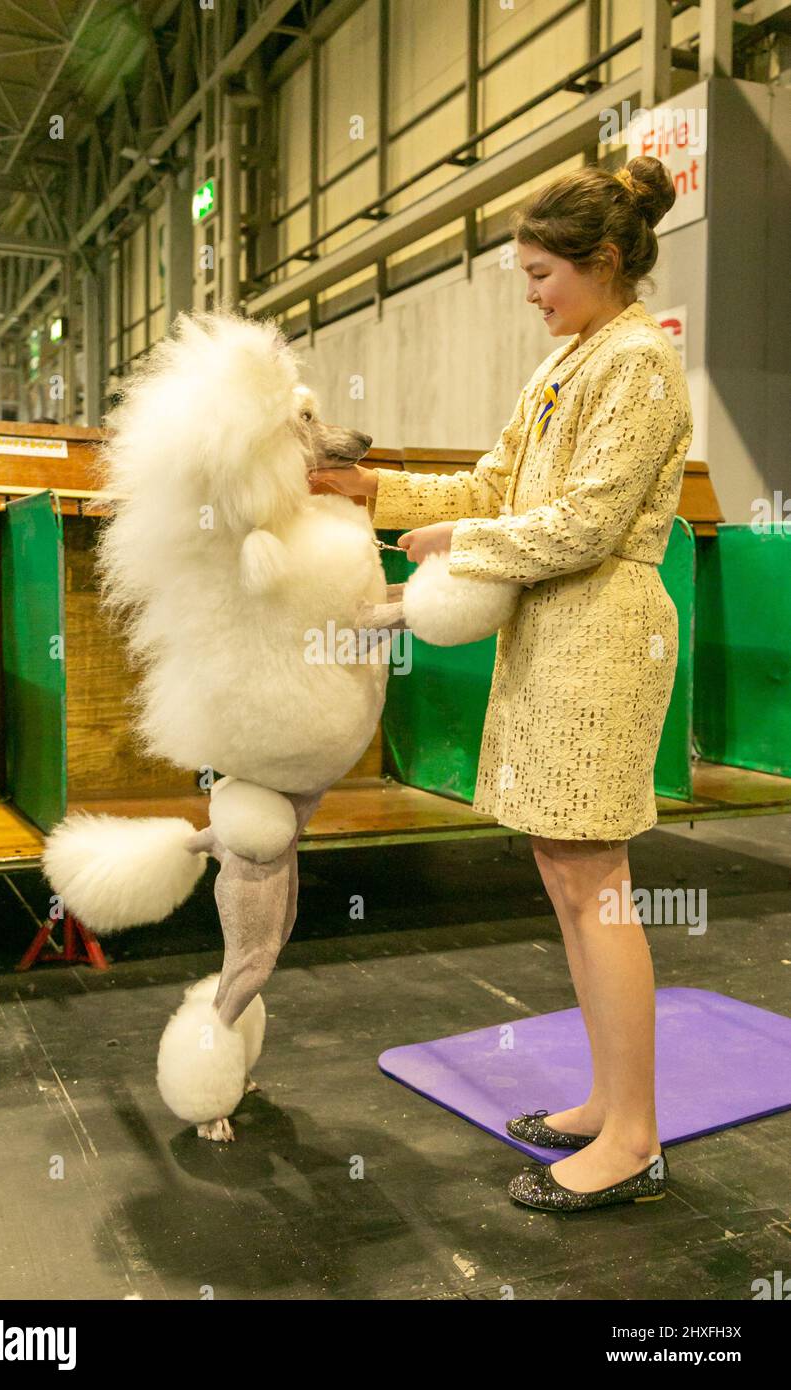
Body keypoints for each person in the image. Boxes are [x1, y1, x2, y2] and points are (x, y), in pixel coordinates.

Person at [309, 155, 694, 1212]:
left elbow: (585, 523)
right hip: (550, 633)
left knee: (593, 879)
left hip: (601, 635)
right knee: (570, 879)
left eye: (538, 274)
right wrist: (367, 489)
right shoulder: (568, 358)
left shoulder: (638, 364)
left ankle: (634, 1138)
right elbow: (496, 482)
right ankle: (608, 1102)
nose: (527, 293)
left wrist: (455, 538)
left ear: (603, 260)